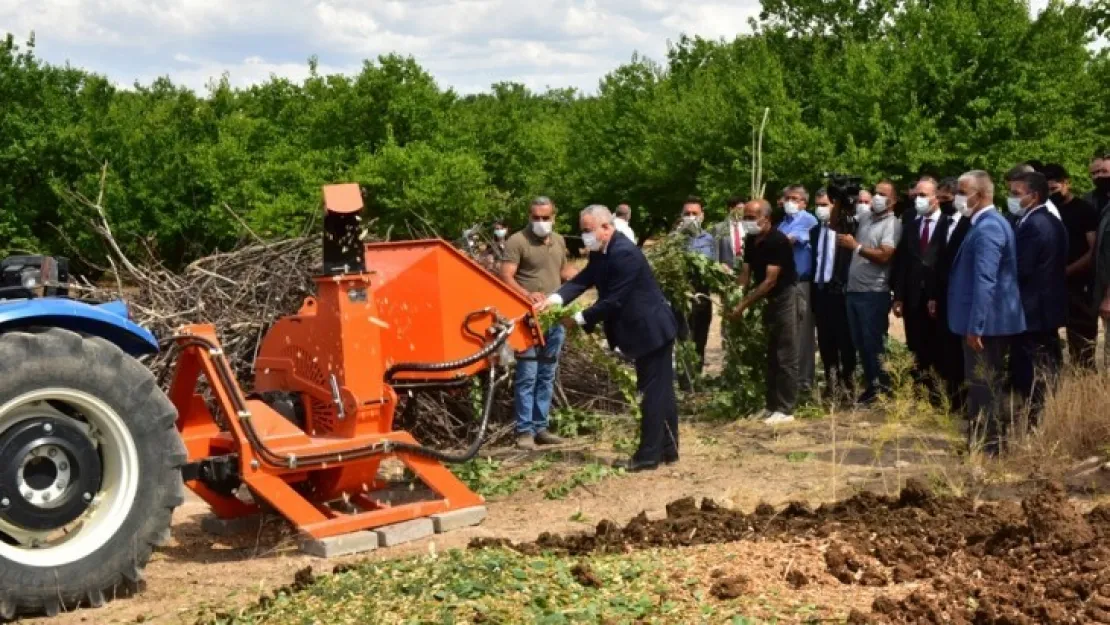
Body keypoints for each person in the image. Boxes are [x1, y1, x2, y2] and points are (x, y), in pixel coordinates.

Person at [546, 205, 679, 472]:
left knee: (653, 392)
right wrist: (554, 299)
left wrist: (579, 319)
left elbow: (613, 300)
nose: (585, 237)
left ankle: (648, 455)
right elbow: (584, 279)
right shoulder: (601, 252)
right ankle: (668, 448)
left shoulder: (624, 253)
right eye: (583, 231)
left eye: (588, 230)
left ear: (606, 228)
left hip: (651, 329)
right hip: (643, 329)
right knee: (660, 390)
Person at [947, 170, 1025, 455]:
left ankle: (987, 447)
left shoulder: (989, 226)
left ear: (979, 196)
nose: (957, 197)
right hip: (986, 322)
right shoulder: (986, 223)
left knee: (983, 384)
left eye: (962, 191)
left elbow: (985, 280)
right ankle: (983, 441)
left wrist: (976, 325)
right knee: (983, 383)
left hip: (987, 325)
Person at [501, 196, 578, 450]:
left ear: (554, 217)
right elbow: (506, 277)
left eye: (546, 218)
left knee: (547, 373)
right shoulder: (517, 241)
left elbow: (564, 271)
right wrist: (526, 294)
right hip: (527, 319)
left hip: (553, 316)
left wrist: (586, 279)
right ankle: (524, 431)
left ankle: (540, 427)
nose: (541, 222)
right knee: (528, 375)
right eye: (536, 217)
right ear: (529, 216)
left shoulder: (558, 241)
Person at [729, 199, 799, 425]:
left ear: (766, 219)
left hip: (785, 298)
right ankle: (771, 406)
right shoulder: (752, 239)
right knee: (771, 353)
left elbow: (770, 281)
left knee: (785, 354)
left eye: (751, 217)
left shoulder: (778, 241)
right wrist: (736, 294)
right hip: (766, 301)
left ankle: (786, 408)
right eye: (745, 217)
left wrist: (742, 306)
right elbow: (746, 272)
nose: (747, 222)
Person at [1007, 171, 1067, 426]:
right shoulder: (1047, 220)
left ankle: (1037, 422)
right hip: (1043, 307)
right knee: (1042, 366)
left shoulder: (1035, 225)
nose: (1011, 198)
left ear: (1034, 196)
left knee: (1035, 371)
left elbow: (1022, 268)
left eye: (1016, 194)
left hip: (1034, 310)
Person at [840, 180, 901, 404]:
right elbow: (838, 224)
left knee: (873, 342)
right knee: (860, 343)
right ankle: (871, 385)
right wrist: (839, 197)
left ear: (893, 201)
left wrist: (856, 247)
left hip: (874, 293)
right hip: (854, 292)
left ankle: (882, 387)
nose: (876, 197)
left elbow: (885, 255)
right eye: (875, 192)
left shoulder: (893, 225)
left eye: (883, 194)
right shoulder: (865, 218)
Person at [892, 177, 949, 395]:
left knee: (939, 346)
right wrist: (898, 296)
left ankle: (940, 393)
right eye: (916, 195)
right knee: (916, 346)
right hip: (913, 297)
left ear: (937, 198)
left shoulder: (947, 224)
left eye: (923, 195)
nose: (918, 199)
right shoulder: (911, 226)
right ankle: (920, 392)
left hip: (938, 297)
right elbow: (902, 264)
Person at [1043, 163, 1099, 370]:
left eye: (1055, 188)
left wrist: (1067, 271)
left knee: (1081, 342)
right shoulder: (1048, 210)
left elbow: (1092, 250)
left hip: (1078, 285)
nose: (1051, 193)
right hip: (1052, 285)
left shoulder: (1084, 210)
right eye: (1047, 190)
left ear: (1067, 183)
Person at [810, 187, 856, 402]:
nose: (821, 209)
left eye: (825, 205)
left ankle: (849, 383)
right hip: (821, 291)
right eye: (817, 205)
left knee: (844, 340)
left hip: (841, 292)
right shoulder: (815, 231)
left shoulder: (848, 230)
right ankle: (832, 382)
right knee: (826, 341)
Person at [929, 176, 971, 411]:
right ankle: (952, 397)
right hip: (944, 295)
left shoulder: (969, 223)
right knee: (946, 347)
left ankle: (964, 399)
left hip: (961, 295)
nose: (943, 202)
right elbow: (939, 262)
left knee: (960, 349)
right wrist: (935, 295)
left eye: (947, 198)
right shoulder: (944, 223)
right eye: (940, 198)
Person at [778, 185, 819, 396]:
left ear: (804, 202)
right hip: (785, 284)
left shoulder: (808, 220)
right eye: (788, 198)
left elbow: (790, 241)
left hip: (802, 283)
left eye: (795, 199)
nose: (790, 202)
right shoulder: (782, 223)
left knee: (803, 334)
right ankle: (791, 379)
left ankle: (804, 381)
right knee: (789, 334)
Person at [674, 196, 718, 379]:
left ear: (702, 216)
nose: (691, 217)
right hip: (681, 296)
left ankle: (696, 377)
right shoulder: (674, 240)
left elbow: (716, 265)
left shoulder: (709, 239)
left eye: (694, 213)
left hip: (703, 296)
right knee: (684, 338)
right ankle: (684, 380)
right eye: (687, 214)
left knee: (700, 336)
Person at [716, 196, 747, 271]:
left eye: (744, 209)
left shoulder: (748, 227)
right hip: (726, 271)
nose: (742, 212)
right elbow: (715, 252)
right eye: (740, 209)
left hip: (745, 270)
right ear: (731, 209)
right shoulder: (719, 228)